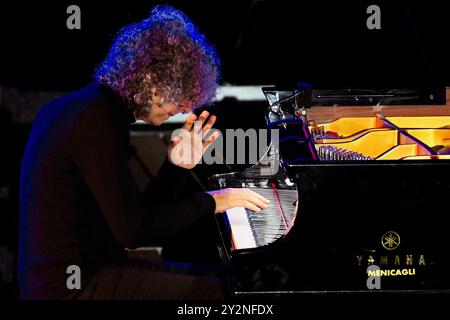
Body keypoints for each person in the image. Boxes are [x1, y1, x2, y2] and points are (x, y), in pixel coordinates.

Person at [17, 5, 269, 300]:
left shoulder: (92, 109)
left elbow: (136, 217)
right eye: (179, 93)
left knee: (232, 281)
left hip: (93, 270)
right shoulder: (94, 119)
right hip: (70, 288)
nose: (185, 107)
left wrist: (176, 167)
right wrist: (214, 201)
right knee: (233, 295)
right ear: (149, 80)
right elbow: (134, 233)